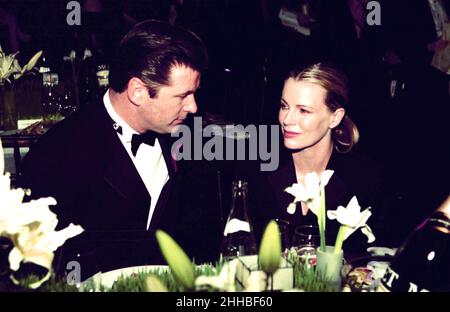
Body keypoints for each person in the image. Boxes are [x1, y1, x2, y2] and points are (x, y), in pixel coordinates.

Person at [19, 20, 209, 279]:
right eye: (182, 96)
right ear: (138, 92)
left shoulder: (188, 138)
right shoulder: (56, 156)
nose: (193, 107)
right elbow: (40, 267)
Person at [249, 63, 390, 254]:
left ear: (335, 118)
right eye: (284, 106)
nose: (287, 119)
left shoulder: (364, 177)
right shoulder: (257, 166)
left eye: (304, 110)